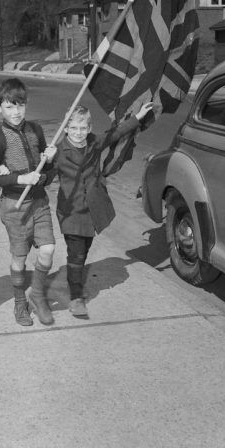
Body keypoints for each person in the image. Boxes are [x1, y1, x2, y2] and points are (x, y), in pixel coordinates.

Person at [47, 102, 154, 319]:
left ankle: (74, 282)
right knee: (76, 254)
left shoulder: (94, 142)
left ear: (89, 128)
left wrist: (139, 117)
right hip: (71, 211)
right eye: (74, 128)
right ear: (66, 128)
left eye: (83, 128)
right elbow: (45, 179)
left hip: (92, 209)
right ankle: (76, 297)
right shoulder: (58, 151)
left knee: (84, 251)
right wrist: (47, 161)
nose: (79, 133)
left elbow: (116, 133)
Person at [0, 77, 56, 327]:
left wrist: (47, 167)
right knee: (20, 258)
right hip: (15, 207)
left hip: (40, 202)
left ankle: (36, 294)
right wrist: (20, 178)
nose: (16, 112)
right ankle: (19, 302)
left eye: (20, 106)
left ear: (26, 105)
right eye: (9, 106)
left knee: (48, 250)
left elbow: (49, 170)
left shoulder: (35, 129)